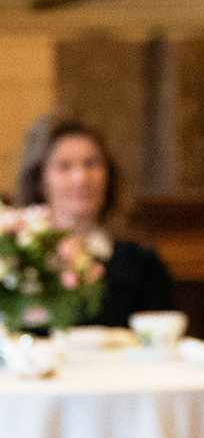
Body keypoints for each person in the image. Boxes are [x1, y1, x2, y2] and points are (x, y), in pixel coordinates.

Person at [15, 115, 174, 327]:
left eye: (91, 164)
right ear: (40, 180)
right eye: (64, 166)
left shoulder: (142, 263)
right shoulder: (15, 259)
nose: (81, 178)